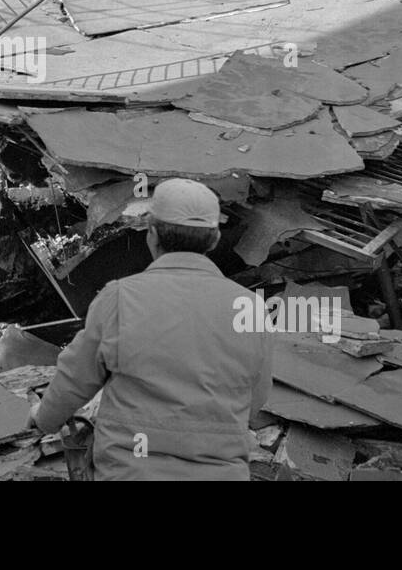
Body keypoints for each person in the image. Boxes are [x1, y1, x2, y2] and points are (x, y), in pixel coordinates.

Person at [31, 178, 272, 480]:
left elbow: (75, 380)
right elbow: (255, 401)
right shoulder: (250, 308)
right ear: (213, 240)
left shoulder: (119, 299)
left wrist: (43, 420)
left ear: (152, 234)